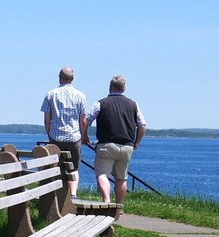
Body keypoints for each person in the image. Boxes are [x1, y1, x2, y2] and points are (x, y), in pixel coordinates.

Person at [82, 75, 146, 206]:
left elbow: (85, 120)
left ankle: (106, 201)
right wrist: (137, 142)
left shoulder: (101, 103)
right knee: (121, 178)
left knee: (102, 174)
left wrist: (85, 136)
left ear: (110, 87)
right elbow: (142, 125)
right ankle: (119, 207)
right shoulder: (133, 104)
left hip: (107, 144)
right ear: (124, 88)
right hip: (127, 146)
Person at [40, 66, 88, 198]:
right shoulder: (81, 96)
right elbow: (83, 120)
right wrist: (83, 136)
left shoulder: (51, 94)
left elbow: (47, 118)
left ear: (59, 77)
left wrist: (49, 132)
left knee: (57, 166)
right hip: (74, 137)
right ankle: (72, 194)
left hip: (56, 136)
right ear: (73, 78)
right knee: (74, 168)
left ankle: (57, 194)